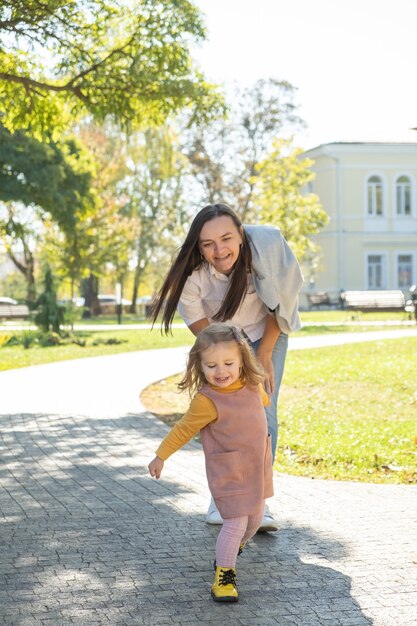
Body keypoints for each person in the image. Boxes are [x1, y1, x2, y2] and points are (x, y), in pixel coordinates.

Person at [151, 203, 303, 531]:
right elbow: (206, 334)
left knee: (263, 415)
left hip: (268, 335)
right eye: (208, 244)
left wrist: (262, 356)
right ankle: (223, 499)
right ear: (199, 247)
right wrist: (227, 362)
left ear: (241, 236)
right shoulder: (194, 279)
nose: (219, 250)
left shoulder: (264, 255)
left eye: (226, 239)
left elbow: (281, 306)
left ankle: (257, 504)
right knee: (224, 414)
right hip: (222, 341)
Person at [148, 323, 274, 602]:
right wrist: (161, 456)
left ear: (242, 361)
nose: (221, 371)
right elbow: (183, 429)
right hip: (229, 471)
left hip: (257, 467)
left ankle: (227, 551)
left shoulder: (253, 386)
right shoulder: (207, 400)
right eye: (212, 365)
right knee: (235, 522)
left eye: (229, 363)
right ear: (200, 367)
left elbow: (263, 403)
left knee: (253, 522)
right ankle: (224, 576)